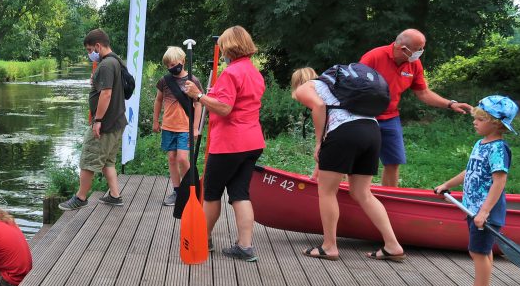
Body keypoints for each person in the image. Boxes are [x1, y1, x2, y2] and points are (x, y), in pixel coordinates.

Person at [291, 67, 406, 262]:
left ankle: (329, 247)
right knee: (363, 193)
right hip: (372, 131)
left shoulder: (306, 89)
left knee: (326, 191)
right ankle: (392, 245)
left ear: (297, 83)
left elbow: (319, 107)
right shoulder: (338, 88)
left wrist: (320, 142)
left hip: (345, 132)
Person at [182, 26, 263, 261]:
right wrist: (211, 95)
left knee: (211, 193)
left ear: (229, 47)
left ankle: (202, 239)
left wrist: (198, 96)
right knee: (240, 194)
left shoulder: (231, 72)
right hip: (252, 141)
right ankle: (245, 246)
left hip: (230, 143)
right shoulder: (253, 72)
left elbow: (226, 109)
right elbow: (237, 101)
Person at [435, 95, 517, 286]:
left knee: (477, 252)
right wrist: (447, 184)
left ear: (496, 123)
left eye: (480, 119)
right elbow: (469, 171)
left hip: (485, 211)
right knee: (482, 251)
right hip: (472, 208)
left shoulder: (499, 149)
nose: (475, 122)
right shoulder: (480, 144)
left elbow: (499, 181)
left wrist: (485, 211)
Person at [360, 29, 472, 187]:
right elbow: (354, 86)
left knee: (393, 162)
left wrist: (450, 104)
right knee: (358, 159)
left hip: (390, 117)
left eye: (422, 48)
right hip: (365, 116)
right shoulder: (374, 57)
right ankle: (343, 191)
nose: (420, 52)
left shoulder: (414, 64)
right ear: (403, 48)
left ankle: (389, 200)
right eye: (418, 48)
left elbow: (424, 93)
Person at [59, 28, 128, 210]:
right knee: (108, 161)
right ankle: (115, 195)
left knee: (88, 160)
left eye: (90, 50)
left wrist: (98, 120)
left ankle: (80, 198)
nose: (90, 54)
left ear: (98, 46)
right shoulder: (117, 61)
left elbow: (106, 94)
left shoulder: (106, 65)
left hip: (106, 124)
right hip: (118, 120)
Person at [153, 46, 203, 206]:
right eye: (168, 65)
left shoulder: (192, 81)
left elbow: (199, 104)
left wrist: (195, 127)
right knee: (172, 158)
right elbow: (158, 100)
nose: (171, 67)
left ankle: (189, 189)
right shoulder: (164, 81)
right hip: (168, 126)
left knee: (182, 158)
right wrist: (155, 120)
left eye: (174, 64)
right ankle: (176, 191)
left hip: (185, 128)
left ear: (183, 61)